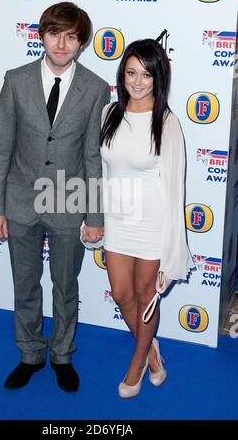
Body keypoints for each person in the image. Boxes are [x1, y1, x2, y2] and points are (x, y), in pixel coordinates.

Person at [0, 2, 110, 392]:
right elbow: (2, 147)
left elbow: (92, 155)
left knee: (65, 285)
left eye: (71, 36)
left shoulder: (95, 88)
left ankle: (62, 354)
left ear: (81, 42)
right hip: (20, 201)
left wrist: (94, 215)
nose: (61, 43)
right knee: (25, 283)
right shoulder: (15, 80)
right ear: (41, 34)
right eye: (55, 33)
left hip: (68, 202)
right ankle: (29, 353)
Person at [100, 39, 194, 398]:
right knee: (123, 295)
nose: (137, 81)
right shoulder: (110, 113)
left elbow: (174, 190)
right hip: (119, 220)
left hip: (152, 223)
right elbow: (104, 172)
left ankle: (138, 364)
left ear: (158, 78)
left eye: (146, 74)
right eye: (131, 72)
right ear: (122, 73)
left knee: (145, 295)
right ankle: (151, 346)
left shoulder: (167, 123)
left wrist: (173, 248)